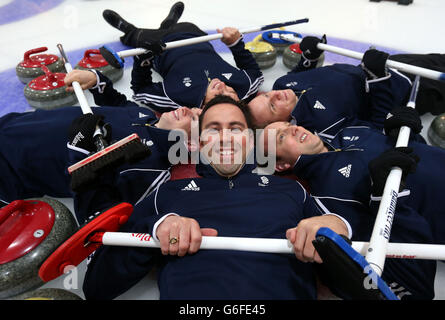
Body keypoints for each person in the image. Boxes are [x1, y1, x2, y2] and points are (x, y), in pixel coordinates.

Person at [76, 95, 350, 300]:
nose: (225, 138)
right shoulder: (166, 194)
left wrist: (337, 230)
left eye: (235, 128)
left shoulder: (294, 191)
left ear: (251, 140)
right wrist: (156, 230)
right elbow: (97, 287)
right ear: (199, 142)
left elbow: (349, 284)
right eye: (213, 129)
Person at [259, 115, 445, 299]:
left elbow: (417, 151)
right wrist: (385, 199)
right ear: (281, 165)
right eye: (281, 137)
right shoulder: (326, 204)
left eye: (288, 124)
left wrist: (406, 135)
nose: (293, 129)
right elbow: (415, 288)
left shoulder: (350, 130)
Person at [0, 69, 199, 223]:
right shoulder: (145, 116)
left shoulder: (150, 169)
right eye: (191, 108)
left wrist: (80, 152)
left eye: (194, 118)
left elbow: (96, 212)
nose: (185, 109)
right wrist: (96, 79)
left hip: (9, 168)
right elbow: (117, 101)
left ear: (190, 143)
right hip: (11, 123)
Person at [246, 36, 437, 141]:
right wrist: (379, 80)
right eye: (272, 105)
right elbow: (378, 130)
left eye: (266, 95)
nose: (276, 94)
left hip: (393, 64)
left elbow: (299, 73)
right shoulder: (321, 127)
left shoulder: (281, 84)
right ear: (277, 124)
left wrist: (309, 57)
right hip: (412, 89)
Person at [102, 2, 264, 112]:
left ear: (204, 108)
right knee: (185, 24)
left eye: (219, 95)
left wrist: (143, 59)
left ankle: (128, 29)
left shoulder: (178, 100)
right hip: (192, 34)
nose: (223, 86)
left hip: (161, 46)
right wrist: (235, 44)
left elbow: (140, 91)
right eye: (231, 91)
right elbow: (254, 72)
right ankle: (169, 23)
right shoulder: (245, 89)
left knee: (139, 36)